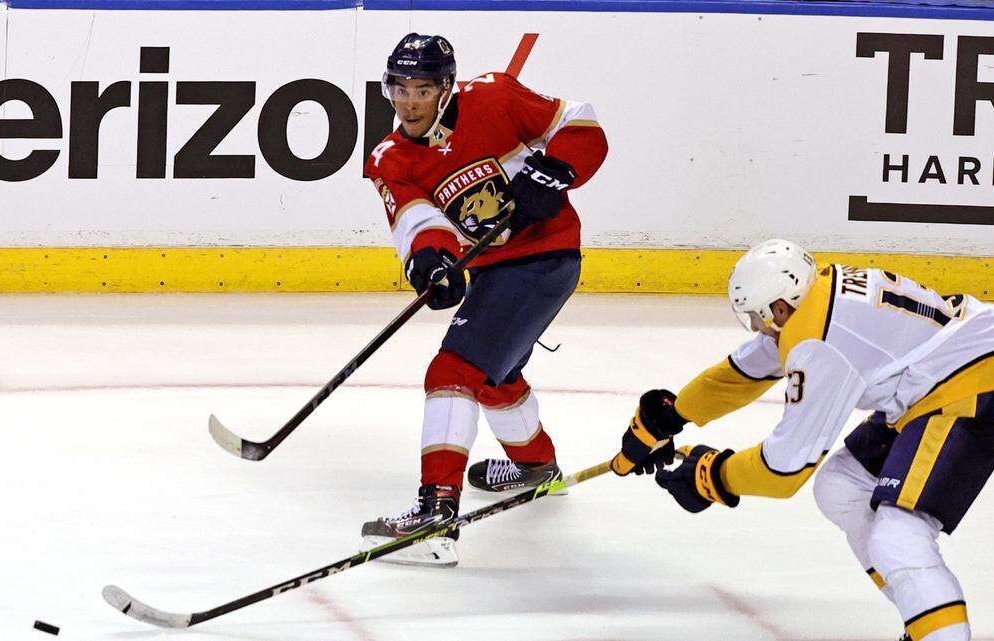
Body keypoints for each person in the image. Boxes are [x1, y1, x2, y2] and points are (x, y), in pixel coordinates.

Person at [613, 239, 994, 641]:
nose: (758, 328)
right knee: (841, 486)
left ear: (779, 308)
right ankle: (926, 618)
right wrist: (672, 416)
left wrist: (713, 476)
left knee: (900, 533)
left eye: (758, 317)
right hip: (937, 379)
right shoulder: (815, 297)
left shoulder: (819, 342)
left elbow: (785, 469)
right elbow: (745, 372)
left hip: (971, 384)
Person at [359, 33, 608, 566]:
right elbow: (416, 220)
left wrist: (558, 169)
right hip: (493, 269)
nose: (407, 102)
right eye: (398, 88)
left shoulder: (495, 96)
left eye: (421, 89)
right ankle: (537, 467)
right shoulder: (390, 158)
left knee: (452, 371)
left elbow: (581, 124)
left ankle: (436, 512)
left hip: (544, 255)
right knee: (493, 375)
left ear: (445, 88)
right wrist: (430, 262)